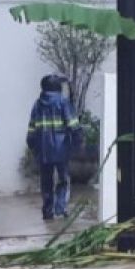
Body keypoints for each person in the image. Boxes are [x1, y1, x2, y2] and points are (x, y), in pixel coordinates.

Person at [27, 75, 81, 220]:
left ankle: (47, 210)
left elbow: (32, 128)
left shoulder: (37, 104)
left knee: (46, 181)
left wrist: (32, 145)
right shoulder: (63, 102)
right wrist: (78, 142)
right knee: (63, 179)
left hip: (43, 150)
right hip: (61, 149)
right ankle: (60, 208)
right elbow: (73, 125)